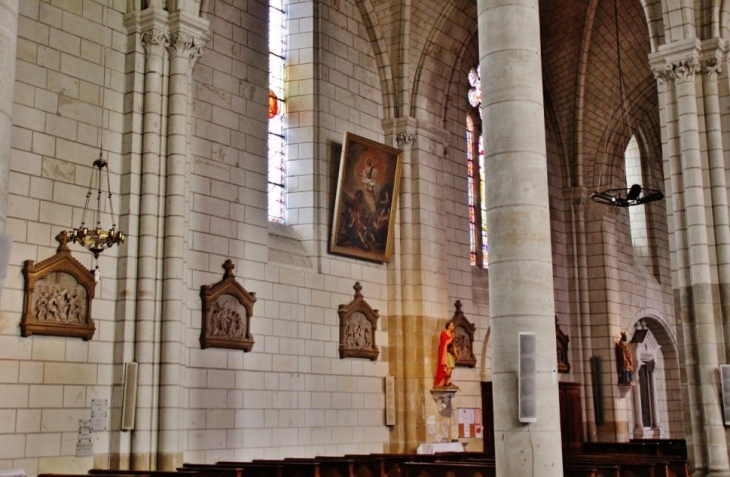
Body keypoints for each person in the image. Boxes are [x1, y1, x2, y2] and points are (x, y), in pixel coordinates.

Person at [434, 322, 459, 388]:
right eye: (452, 325)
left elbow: (454, 345)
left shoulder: (452, 334)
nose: (453, 326)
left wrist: (456, 353)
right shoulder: (443, 333)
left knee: (450, 369)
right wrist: (451, 337)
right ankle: (443, 381)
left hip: (451, 354)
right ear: (448, 326)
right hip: (446, 353)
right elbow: (445, 343)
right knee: (449, 368)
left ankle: (447, 382)